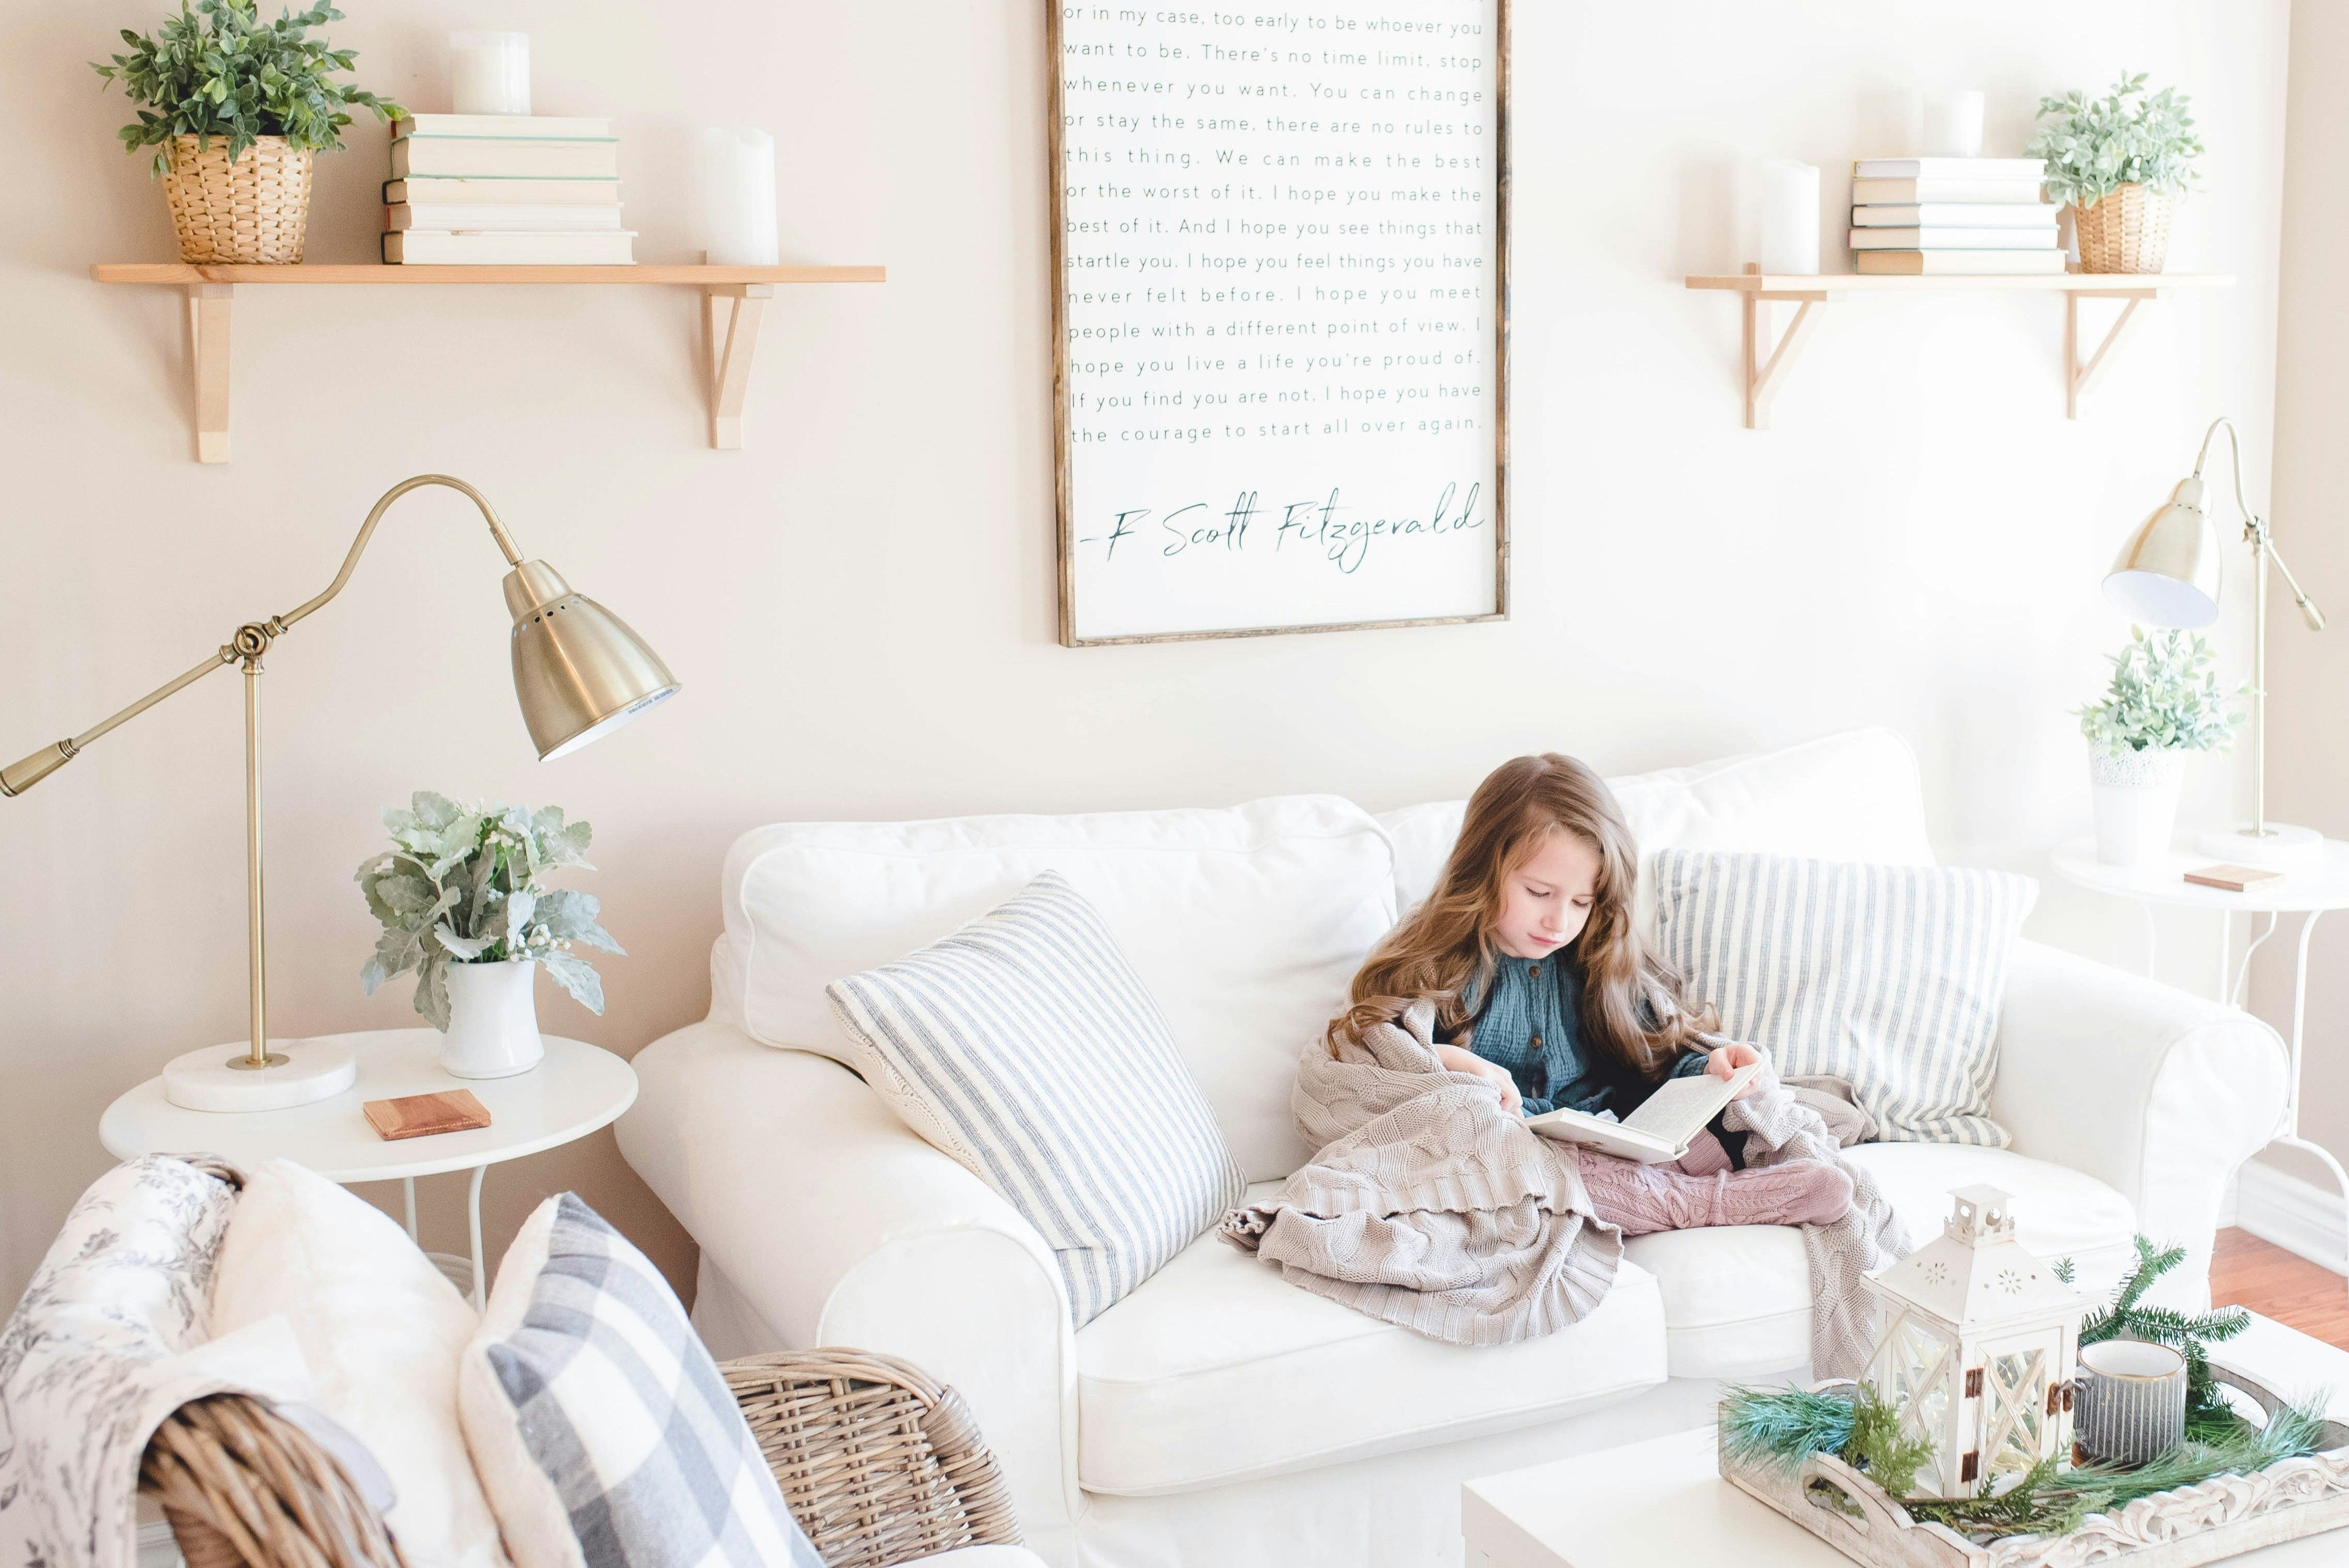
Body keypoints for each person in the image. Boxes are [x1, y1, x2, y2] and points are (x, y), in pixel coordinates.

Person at [1328, 752, 1854, 1235]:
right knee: (1526, 1169)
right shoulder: (1436, 958)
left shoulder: (1597, 956)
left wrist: (1713, 1070)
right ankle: (1702, 1204)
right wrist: (1450, 1061)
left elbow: (1653, 1054)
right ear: (1482, 869)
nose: (1559, 921)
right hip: (1516, 1151)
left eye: (1582, 901)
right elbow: (1373, 1066)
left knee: (1727, 1121)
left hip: (1610, 1133)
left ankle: (1687, 1185)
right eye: (1539, 893)